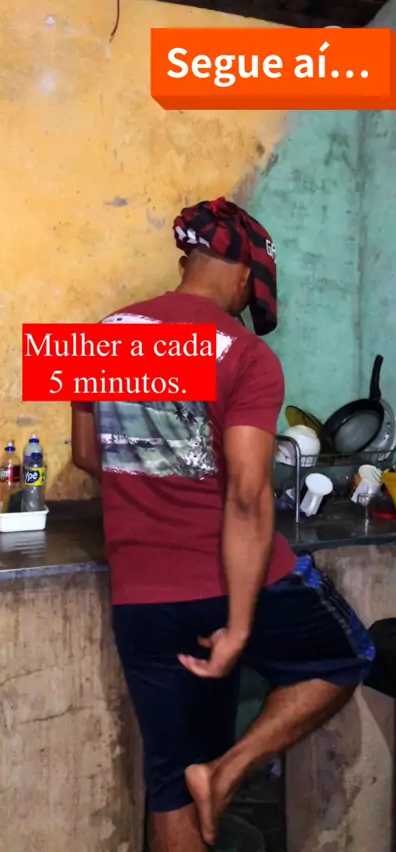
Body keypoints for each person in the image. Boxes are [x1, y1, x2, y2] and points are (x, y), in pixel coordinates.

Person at [71, 197, 375, 850]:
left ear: (189, 261)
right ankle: (232, 768)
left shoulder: (103, 337)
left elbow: (87, 455)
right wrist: (238, 625)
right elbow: (246, 494)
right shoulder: (244, 354)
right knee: (345, 654)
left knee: (171, 781)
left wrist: (154, 480)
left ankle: (208, 774)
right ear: (244, 275)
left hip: (141, 593)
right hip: (228, 582)